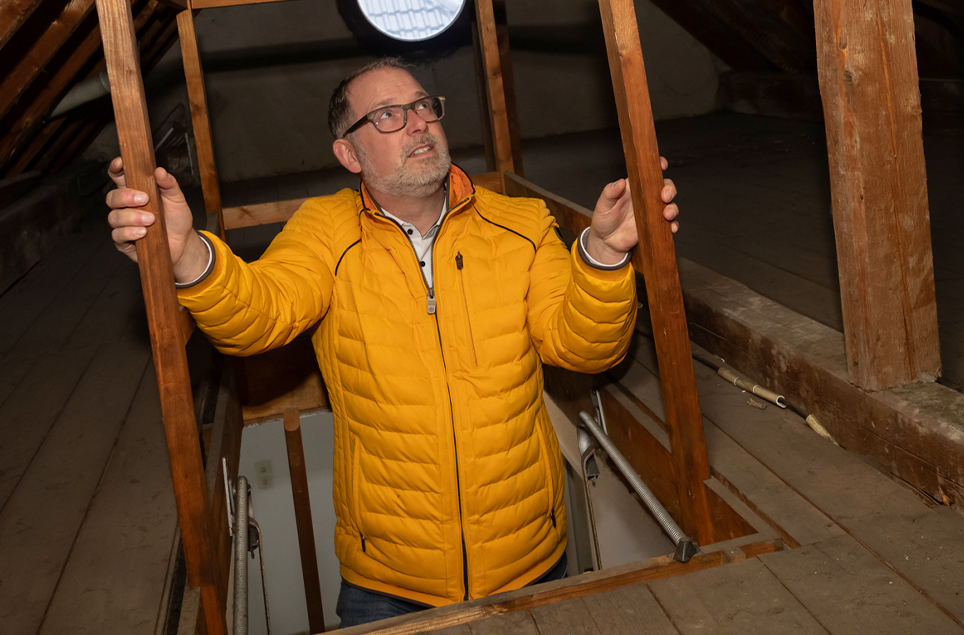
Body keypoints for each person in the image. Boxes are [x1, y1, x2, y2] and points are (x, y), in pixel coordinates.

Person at [105, 58, 679, 625]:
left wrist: (603, 256)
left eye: (423, 106)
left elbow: (584, 349)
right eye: (386, 115)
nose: (416, 123)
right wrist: (185, 255)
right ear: (349, 154)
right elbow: (258, 315)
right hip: (388, 584)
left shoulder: (521, 225)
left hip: (531, 564)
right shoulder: (325, 231)